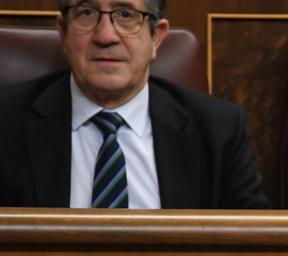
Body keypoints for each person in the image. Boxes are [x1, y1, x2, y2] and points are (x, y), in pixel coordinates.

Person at [0, 0, 269, 209]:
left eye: (126, 15)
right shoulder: (6, 122)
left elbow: (250, 252)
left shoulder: (219, 130)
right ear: (62, 32)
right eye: (86, 13)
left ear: (157, 38)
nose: (106, 36)